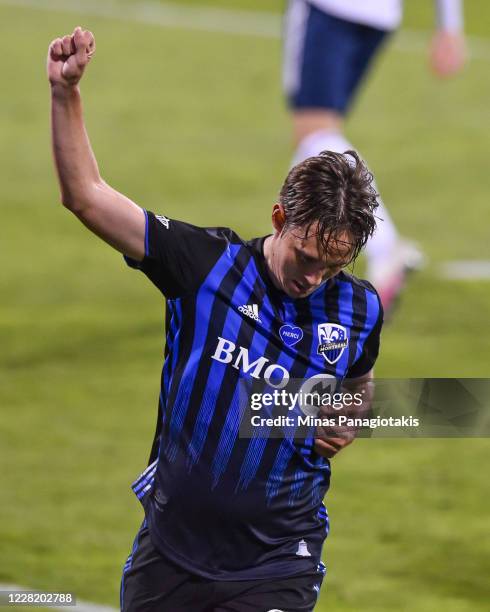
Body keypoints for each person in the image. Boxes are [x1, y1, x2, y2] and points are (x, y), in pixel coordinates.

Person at [47, 28, 383, 611]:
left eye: (333, 267)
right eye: (306, 257)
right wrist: (65, 93)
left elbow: (360, 384)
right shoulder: (203, 265)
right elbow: (86, 196)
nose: (313, 279)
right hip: (171, 553)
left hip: (279, 560)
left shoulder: (358, 307)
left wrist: (351, 415)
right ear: (279, 217)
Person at [283, 0, 466, 312]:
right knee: (319, 131)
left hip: (332, 8)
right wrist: (450, 24)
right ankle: (290, 252)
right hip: (381, 14)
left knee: (314, 130)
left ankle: (383, 245)